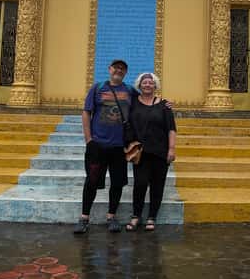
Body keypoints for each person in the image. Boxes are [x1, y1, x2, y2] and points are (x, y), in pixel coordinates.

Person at [73, 59, 135, 234]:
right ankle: (84, 218)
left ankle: (111, 217)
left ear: (125, 72)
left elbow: (147, 100)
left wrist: (163, 103)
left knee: (117, 183)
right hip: (97, 145)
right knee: (91, 181)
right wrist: (88, 140)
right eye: (116, 67)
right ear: (109, 69)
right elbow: (86, 112)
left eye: (122, 68)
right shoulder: (98, 88)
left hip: (119, 147)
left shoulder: (130, 91)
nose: (119, 70)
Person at [126, 72, 176, 232]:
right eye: (144, 82)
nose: (147, 85)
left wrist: (171, 149)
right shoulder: (132, 103)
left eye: (150, 83)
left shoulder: (164, 105)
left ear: (155, 86)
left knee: (157, 185)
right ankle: (136, 216)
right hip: (140, 152)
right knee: (140, 184)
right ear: (139, 85)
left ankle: (152, 217)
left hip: (160, 152)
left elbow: (171, 129)